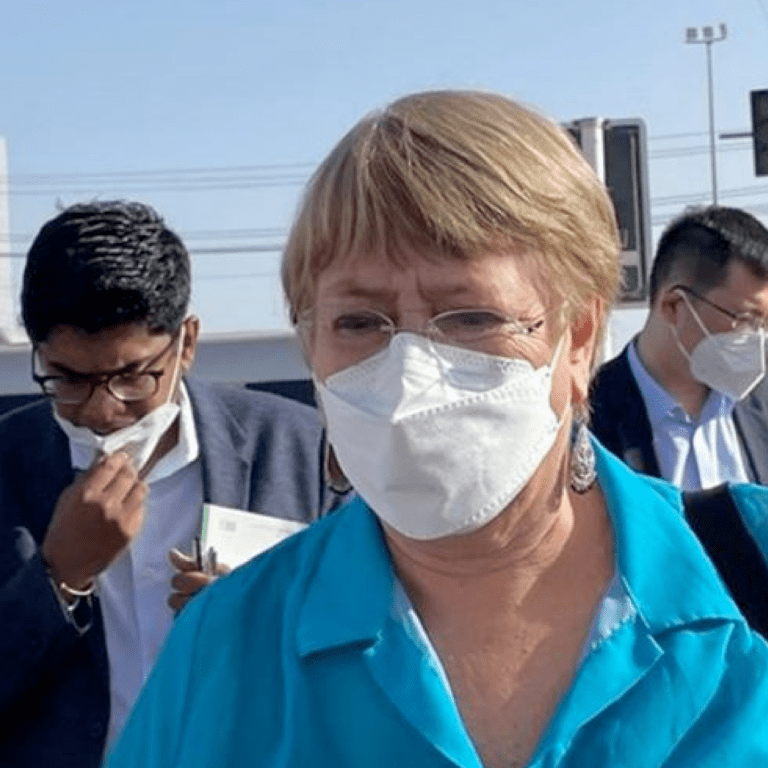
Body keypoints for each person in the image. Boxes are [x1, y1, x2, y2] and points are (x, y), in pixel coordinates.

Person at [107, 92, 768, 768]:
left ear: (577, 339)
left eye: (472, 317)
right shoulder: (225, 649)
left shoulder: (748, 565)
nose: (409, 373)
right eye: (359, 323)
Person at [0, 201, 345, 768]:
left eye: (131, 376)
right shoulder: (8, 464)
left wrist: (262, 621)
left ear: (186, 343)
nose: (103, 410)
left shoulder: (301, 452)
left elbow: (379, 648)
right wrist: (60, 577)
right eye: (67, 379)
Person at [590, 205, 768, 489]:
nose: (758, 338)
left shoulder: (761, 401)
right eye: (747, 320)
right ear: (674, 306)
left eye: (765, 325)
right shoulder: (587, 419)